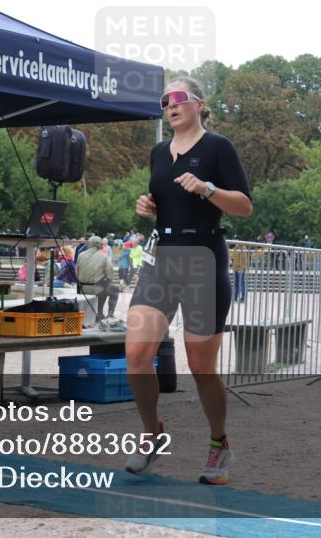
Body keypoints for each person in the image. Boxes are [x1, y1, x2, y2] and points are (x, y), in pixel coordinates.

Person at [124, 76, 252, 486]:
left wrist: (208, 187)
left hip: (203, 258)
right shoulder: (159, 152)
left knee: (201, 367)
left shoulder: (218, 147)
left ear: (199, 104)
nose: (170, 105)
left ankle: (219, 443)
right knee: (136, 354)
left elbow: (244, 206)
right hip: (161, 259)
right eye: (165, 101)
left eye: (178, 98)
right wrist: (147, 205)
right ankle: (152, 433)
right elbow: (162, 202)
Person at [76, 236, 120, 322]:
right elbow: (110, 274)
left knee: (104, 286)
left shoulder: (80, 255)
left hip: (82, 289)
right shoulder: (103, 256)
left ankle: (99, 313)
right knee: (113, 289)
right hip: (97, 289)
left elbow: (77, 273)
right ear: (99, 245)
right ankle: (109, 314)